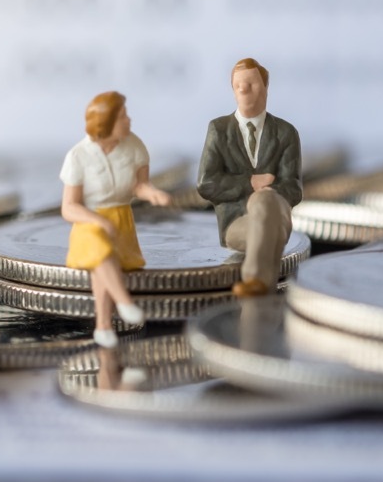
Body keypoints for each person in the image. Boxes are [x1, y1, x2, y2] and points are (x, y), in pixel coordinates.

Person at [60, 91, 172, 348]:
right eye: (122, 117)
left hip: (121, 218)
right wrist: (98, 221)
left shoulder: (135, 147)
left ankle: (102, 326)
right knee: (100, 250)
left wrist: (153, 193)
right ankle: (124, 302)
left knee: (103, 264)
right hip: (88, 222)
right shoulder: (78, 156)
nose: (129, 120)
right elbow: (69, 207)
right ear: (105, 122)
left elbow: (139, 186)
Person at [198, 58, 302, 297]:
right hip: (236, 223)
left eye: (251, 83)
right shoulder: (219, 129)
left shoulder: (286, 133)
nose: (243, 89)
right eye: (238, 85)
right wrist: (251, 183)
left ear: (265, 87)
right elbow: (206, 183)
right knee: (262, 214)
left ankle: (255, 281)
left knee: (265, 202)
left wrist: (270, 194)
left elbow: (294, 189)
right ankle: (260, 285)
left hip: (277, 216)